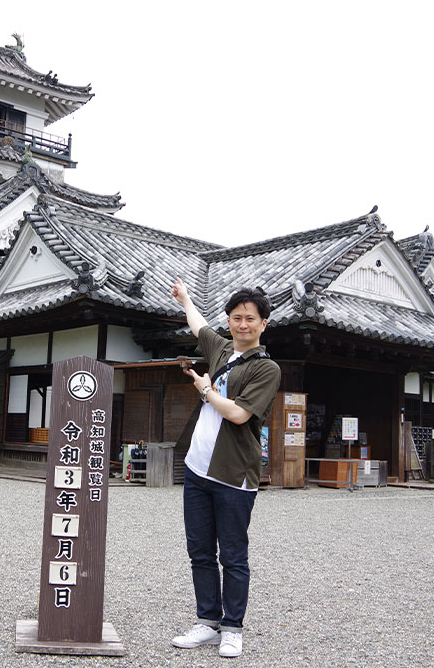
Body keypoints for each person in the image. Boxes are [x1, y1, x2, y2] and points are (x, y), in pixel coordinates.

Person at [169, 277, 281, 659]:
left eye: (250, 318)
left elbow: (237, 414)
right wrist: (185, 298)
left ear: (263, 324)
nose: (243, 324)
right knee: (199, 551)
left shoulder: (266, 369)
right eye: (236, 318)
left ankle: (233, 627)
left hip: (234, 475)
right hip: (197, 470)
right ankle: (207, 621)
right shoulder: (222, 352)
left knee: (232, 555)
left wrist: (205, 390)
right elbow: (200, 326)